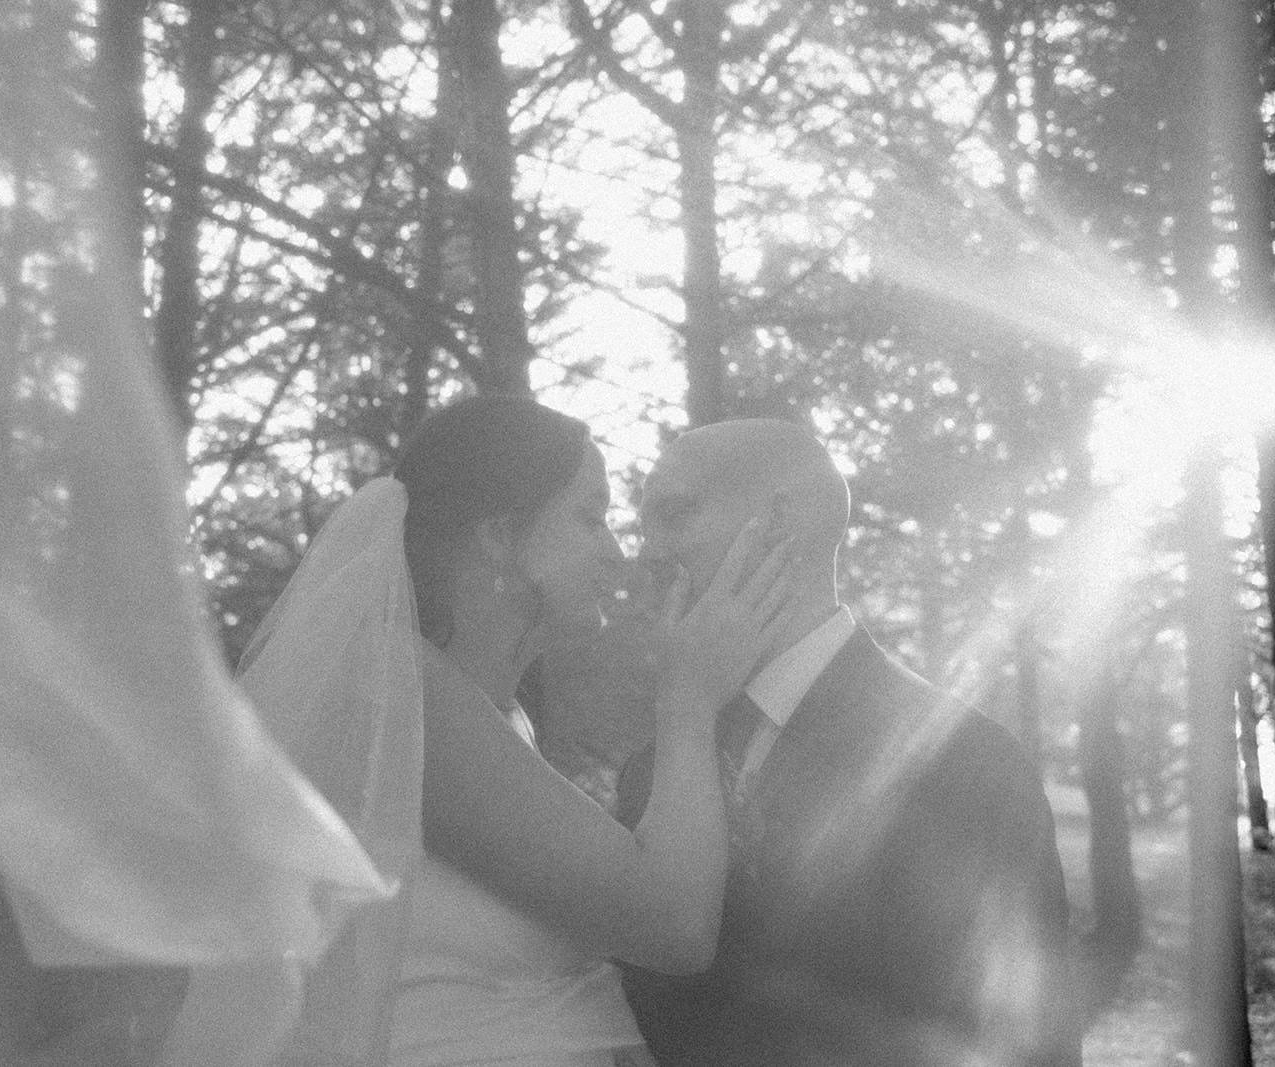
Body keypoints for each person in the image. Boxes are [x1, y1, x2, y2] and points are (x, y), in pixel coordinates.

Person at [160, 396, 801, 1067]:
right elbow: (673, 924)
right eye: (590, 517)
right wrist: (691, 699)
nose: (620, 557)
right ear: (499, 535)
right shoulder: (394, 687)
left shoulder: (496, 716)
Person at [615, 418, 1081, 1067]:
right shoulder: (654, 768)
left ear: (777, 519)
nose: (647, 551)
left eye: (673, 514)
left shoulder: (964, 760)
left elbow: (1025, 1041)